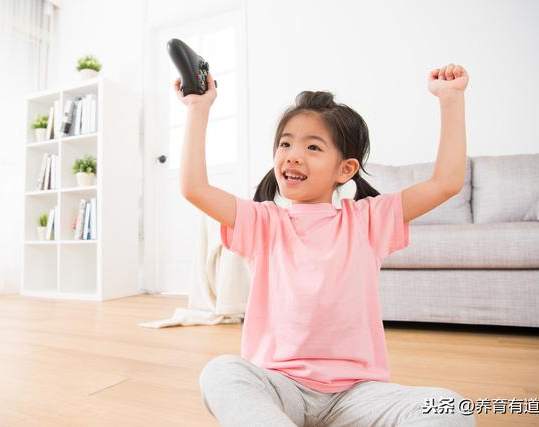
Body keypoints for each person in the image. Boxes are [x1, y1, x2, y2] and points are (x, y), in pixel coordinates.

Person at [173, 63, 474, 427]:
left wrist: (450, 99)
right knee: (220, 373)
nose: (293, 154)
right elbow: (194, 187)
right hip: (280, 387)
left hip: (357, 395)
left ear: (345, 170)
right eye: (285, 143)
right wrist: (198, 108)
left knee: (451, 407)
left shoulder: (368, 220)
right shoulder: (263, 222)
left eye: (313, 147)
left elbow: (446, 182)